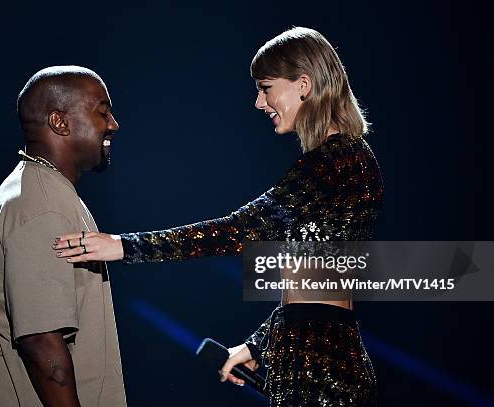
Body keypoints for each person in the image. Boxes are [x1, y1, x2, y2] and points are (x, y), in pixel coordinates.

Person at [54, 27, 382, 406]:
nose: (260, 103)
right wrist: (262, 343)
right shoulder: (351, 159)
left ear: (303, 84)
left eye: (266, 87)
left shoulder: (331, 163)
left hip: (319, 366)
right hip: (323, 355)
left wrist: (123, 246)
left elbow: (237, 231)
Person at [0, 66, 126, 407]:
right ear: (60, 123)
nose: (113, 124)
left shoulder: (43, 190)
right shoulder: (43, 202)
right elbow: (41, 339)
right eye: (102, 112)